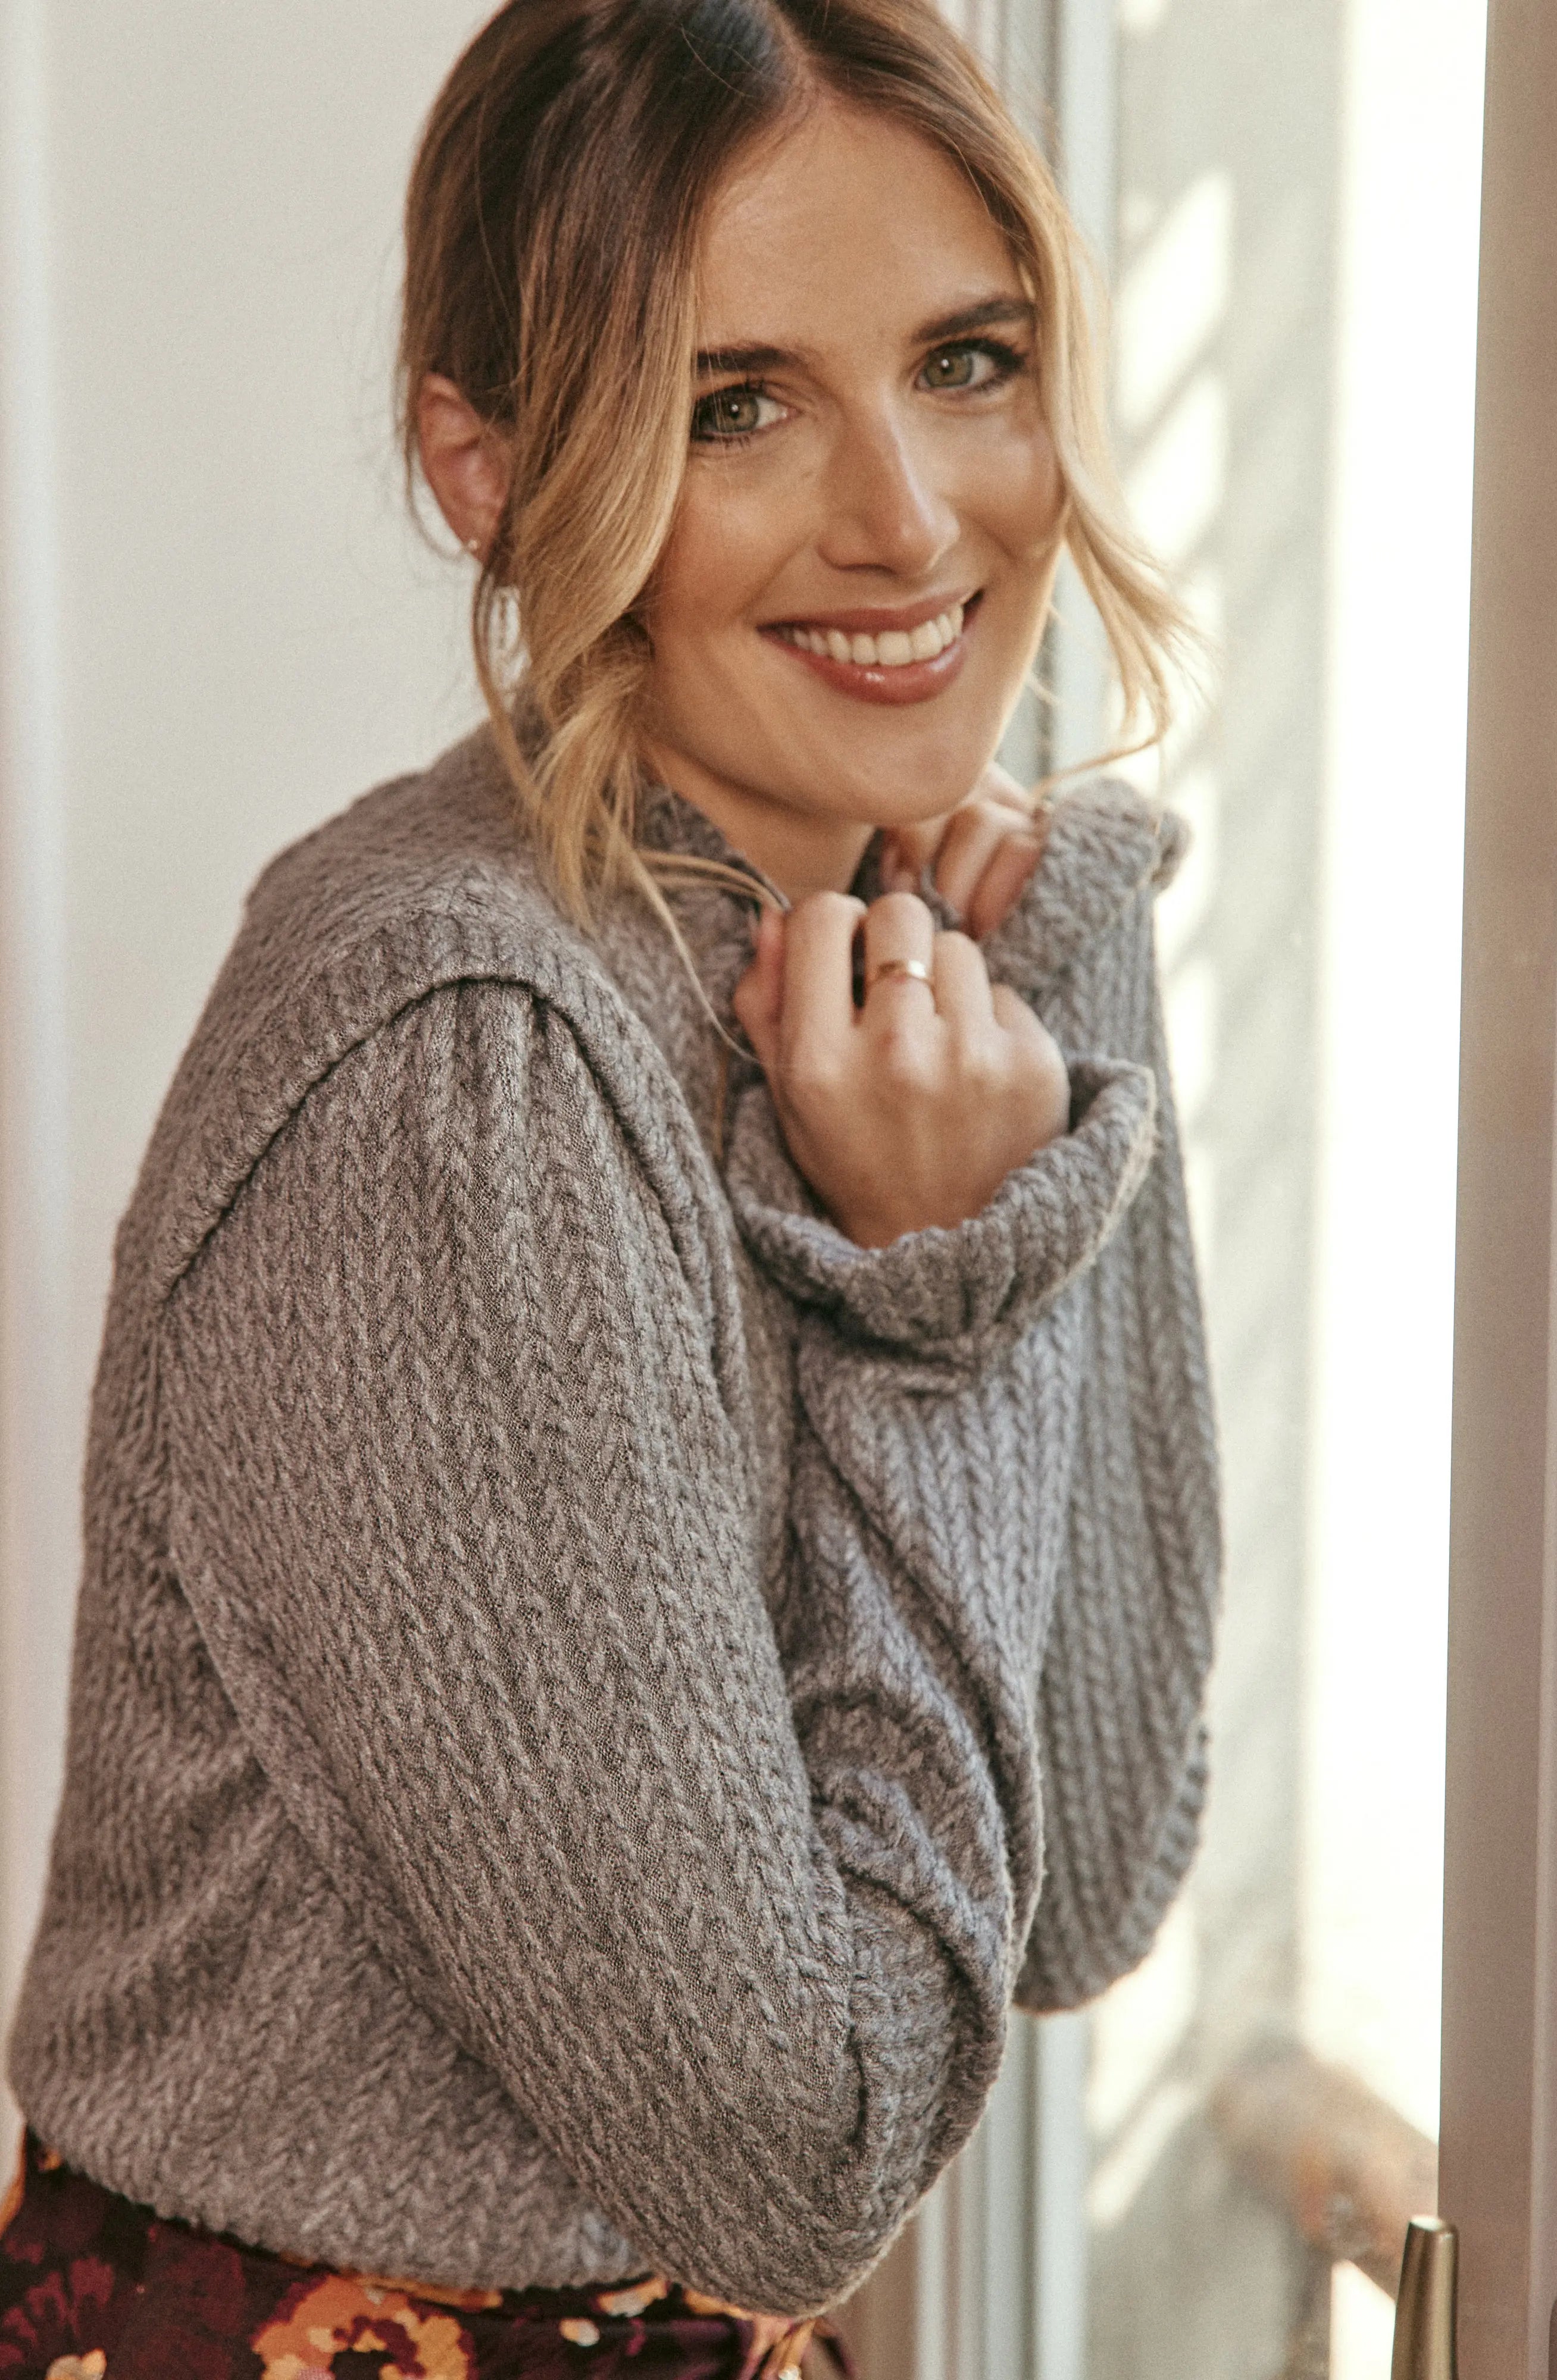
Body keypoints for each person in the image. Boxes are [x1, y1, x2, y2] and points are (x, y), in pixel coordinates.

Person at [0, 0, 1220, 2372]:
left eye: (967, 361)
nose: (906, 519)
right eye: (731, 405)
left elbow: (1075, 1880)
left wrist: (1051, 974)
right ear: (488, 466)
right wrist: (935, 1309)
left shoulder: (899, 936)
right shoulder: (456, 1052)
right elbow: (795, 2167)